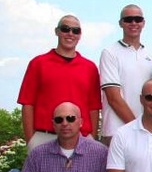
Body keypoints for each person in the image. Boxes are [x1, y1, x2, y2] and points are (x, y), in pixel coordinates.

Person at [17, 15, 101, 150]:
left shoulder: (90, 68)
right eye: (65, 29)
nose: (70, 34)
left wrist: (92, 137)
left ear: (80, 35)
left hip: (81, 138)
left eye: (75, 31)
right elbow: (27, 104)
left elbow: (94, 107)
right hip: (44, 137)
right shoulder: (38, 64)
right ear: (57, 31)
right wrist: (31, 139)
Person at [99, 4, 152, 145]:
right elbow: (113, 98)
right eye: (128, 19)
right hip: (116, 132)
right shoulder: (109, 53)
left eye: (137, 19)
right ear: (121, 23)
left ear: (143, 23)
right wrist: (137, 127)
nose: (133, 23)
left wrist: (147, 129)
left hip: (146, 133)